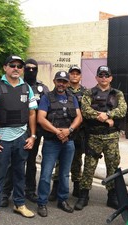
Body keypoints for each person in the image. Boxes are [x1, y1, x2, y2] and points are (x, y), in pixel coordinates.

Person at [0, 55, 37, 225]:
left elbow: (32, 113)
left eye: (19, 66)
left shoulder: (26, 87)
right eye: (12, 65)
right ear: (5, 67)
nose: (16, 68)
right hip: (1, 139)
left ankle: (19, 204)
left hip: (21, 138)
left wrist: (33, 136)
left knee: (20, 173)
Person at [74, 65, 127, 211]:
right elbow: (85, 110)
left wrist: (108, 115)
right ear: (96, 77)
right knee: (89, 167)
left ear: (111, 77)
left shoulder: (118, 94)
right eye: (101, 75)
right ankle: (84, 196)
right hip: (94, 136)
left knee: (112, 166)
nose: (103, 78)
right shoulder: (89, 93)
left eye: (106, 75)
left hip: (111, 137)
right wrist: (103, 118)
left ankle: (112, 196)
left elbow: (122, 110)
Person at [0, 58, 49, 207]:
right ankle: (5, 193)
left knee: (31, 163)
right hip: (16, 130)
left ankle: (29, 190)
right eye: (28, 68)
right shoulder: (17, 85)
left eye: (34, 68)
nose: (31, 71)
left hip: (34, 132)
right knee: (11, 163)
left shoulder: (43, 88)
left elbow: (47, 109)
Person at [37, 71, 82, 217]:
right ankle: (42, 202)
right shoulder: (46, 97)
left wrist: (68, 131)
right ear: (54, 81)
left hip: (68, 141)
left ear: (68, 83)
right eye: (59, 81)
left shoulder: (72, 97)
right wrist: (57, 132)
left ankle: (62, 200)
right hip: (51, 142)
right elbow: (41, 119)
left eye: (64, 81)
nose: (61, 84)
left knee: (64, 174)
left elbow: (79, 117)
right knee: (46, 174)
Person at [48, 66, 86, 201]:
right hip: (63, 132)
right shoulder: (63, 89)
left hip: (79, 132)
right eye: (72, 73)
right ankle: (55, 188)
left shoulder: (86, 92)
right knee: (60, 161)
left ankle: (77, 187)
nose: (75, 76)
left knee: (77, 161)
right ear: (69, 77)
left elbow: (85, 112)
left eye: (77, 74)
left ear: (80, 76)